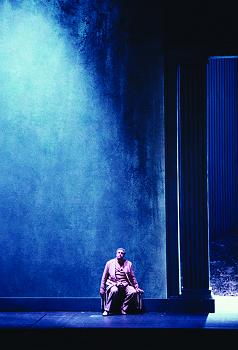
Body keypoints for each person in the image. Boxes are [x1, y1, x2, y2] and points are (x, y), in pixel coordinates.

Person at [99, 247, 144, 316]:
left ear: (124, 255)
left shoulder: (129, 264)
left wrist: (136, 287)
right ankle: (107, 310)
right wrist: (102, 288)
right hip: (113, 284)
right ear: (116, 254)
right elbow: (104, 277)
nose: (120, 254)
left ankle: (123, 308)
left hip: (125, 284)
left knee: (133, 292)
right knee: (114, 290)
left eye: (122, 253)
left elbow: (133, 277)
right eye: (118, 253)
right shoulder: (109, 263)